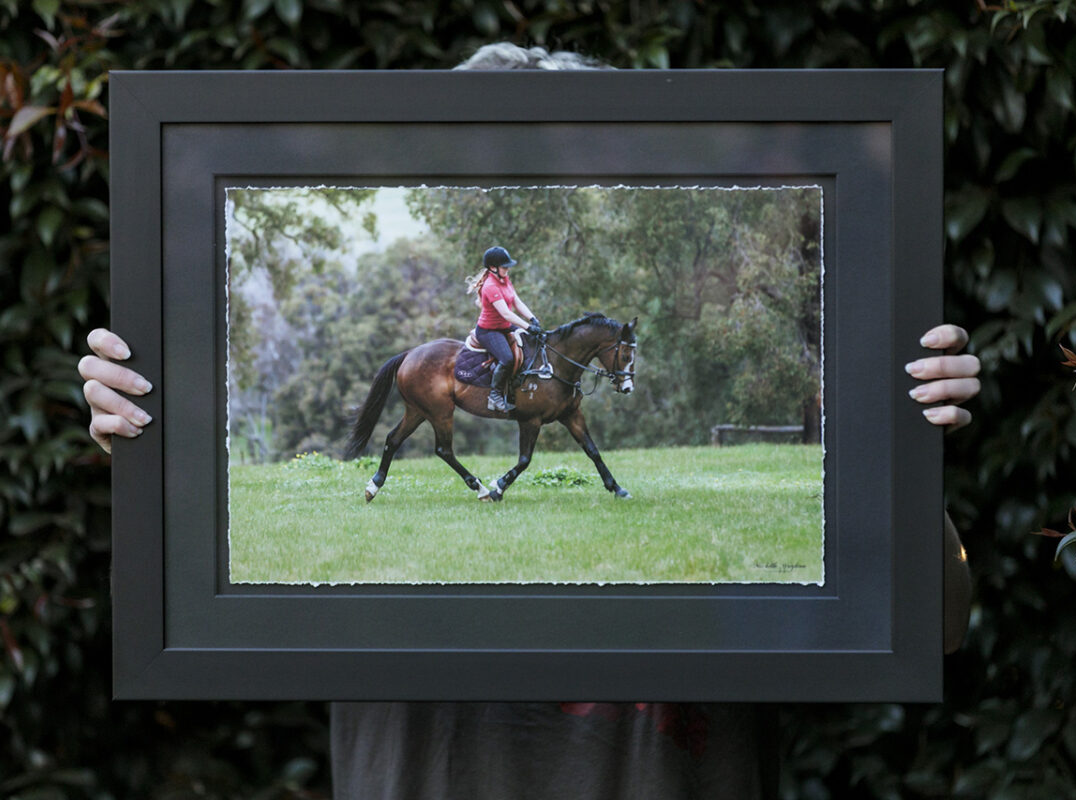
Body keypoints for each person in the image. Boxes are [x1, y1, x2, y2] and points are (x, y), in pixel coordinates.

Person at [79, 43, 981, 799]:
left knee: (541, 357)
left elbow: (934, 630)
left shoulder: (515, 281)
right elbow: (180, 624)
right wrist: (153, 461)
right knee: (513, 364)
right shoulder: (489, 281)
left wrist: (904, 451)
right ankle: (490, 423)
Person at [467, 245, 543, 412]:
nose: (508, 269)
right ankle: (494, 396)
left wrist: (532, 318)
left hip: (504, 326)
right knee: (507, 358)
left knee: (533, 342)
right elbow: (506, 314)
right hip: (489, 331)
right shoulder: (490, 286)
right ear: (493, 268)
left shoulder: (504, 280)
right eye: (504, 266)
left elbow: (517, 301)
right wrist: (528, 327)